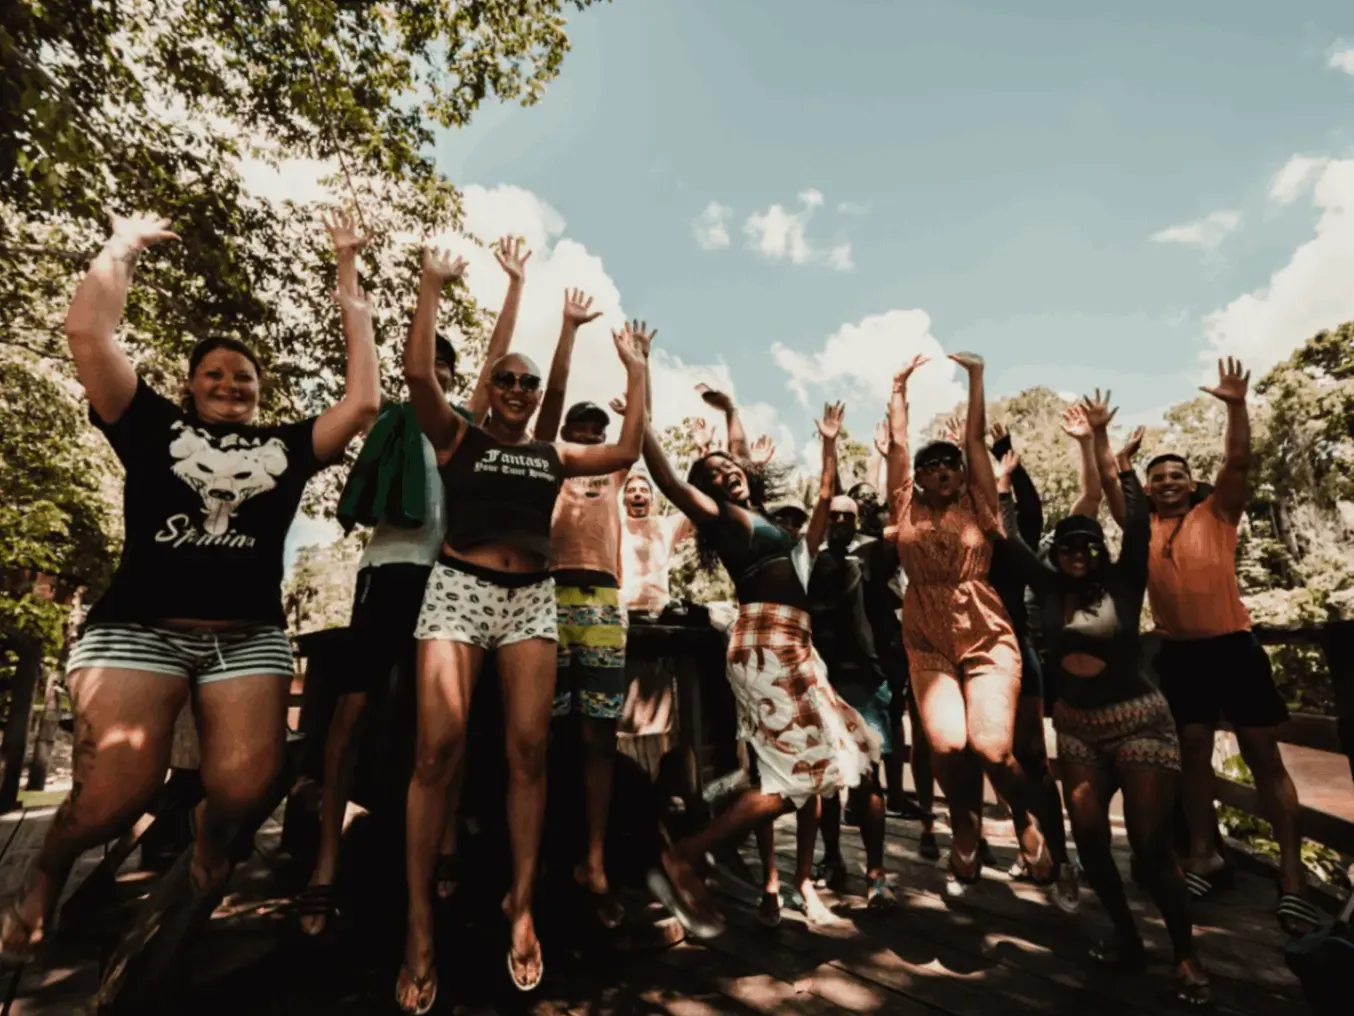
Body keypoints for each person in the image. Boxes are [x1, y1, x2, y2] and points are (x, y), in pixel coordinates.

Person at [0, 210, 380, 961]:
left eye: (244, 377)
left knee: (245, 787)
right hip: (137, 629)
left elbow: (363, 402)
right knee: (117, 794)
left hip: (247, 640)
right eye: (214, 373)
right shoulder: (148, 425)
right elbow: (87, 335)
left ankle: (211, 831)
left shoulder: (285, 447)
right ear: (189, 384)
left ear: (260, 392)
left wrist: (347, 270)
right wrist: (123, 245)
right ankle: (48, 870)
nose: (229, 383)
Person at [396, 241, 648, 1010]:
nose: (515, 387)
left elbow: (626, 447)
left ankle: (523, 903)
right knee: (437, 750)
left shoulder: (550, 453)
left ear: (537, 397)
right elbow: (417, 376)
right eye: (503, 378)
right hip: (459, 589)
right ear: (488, 389)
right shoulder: (459, 437)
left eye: (526, 382)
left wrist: (636, 371)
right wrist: (431, 285)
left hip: (533, 598)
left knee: (529, 751)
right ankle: (418, 927)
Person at [296, 235, 530, 935]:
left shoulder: (467, 432)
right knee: (352, 711)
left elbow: (497, 360)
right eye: (434, 363)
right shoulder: (396, 421)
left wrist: (514, 285)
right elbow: (385, 346)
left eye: (453, 366)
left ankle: (448, 833)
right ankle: (326, 859)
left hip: (452, 580)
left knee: (449, 718)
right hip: (390, 572)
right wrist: (350, 262)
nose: (444, 373)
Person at [994, 398, 1211, 1007]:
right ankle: (1125, 937)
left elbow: (1137, 524)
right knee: (1089, 841)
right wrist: (1004, 487)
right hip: (1077, 728)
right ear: (1057, 554)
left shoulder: (1123, 581)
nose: (1078, 553)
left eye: (1088, 546)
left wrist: (1111, 453)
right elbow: (1009, 540)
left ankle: (1186, 953)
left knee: (1149, 842)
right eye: (1068, 547)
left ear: (1100, 551)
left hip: (1139, 721)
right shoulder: (1046, 586)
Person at [641, 384, 879, 939]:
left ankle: (712, 835)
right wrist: (643, 421)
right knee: (797, 778)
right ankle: (685, 854)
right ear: (711, 493)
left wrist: (817, 442)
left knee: (822, 767)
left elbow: (805, 490)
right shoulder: (726, 519)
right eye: (716, 474)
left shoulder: (766, 519)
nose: (729, 472)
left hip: (795, 643)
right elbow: (672, 483)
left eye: (732, 467)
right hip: (766, 641)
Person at [1143, 360, 1317, 936]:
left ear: (1192, 483)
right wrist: (1097, 444)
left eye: (1177, 475)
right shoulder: (1144, 529)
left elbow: (1238, 461)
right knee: (1191, 756)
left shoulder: (1217, 513)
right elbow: (1105, 493)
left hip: (1234, 647)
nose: (1169, 482)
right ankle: (1205, 856)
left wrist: (1236, 405)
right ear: (1149, 489)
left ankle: (1292, 875)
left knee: (1263, 756)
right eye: (1158, 477)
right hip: (1180, 655)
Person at [885, 352, 1052, 892]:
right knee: (946, 744)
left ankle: (1026, 820)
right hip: (926, 634)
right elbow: (899, 446)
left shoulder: (980, 503)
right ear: (919, 477)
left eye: (950, 463)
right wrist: (898, 388)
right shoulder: (904, 506)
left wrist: (977, 377)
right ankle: (964, 824)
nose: (943, 468)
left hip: (983, 628)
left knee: (992, 747)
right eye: (932, 464)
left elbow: (976, 441)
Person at [532, 288, 629, 930]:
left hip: (602, 600)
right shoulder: (549, 464)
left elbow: (636, 439)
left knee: (597, 733)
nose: (591, 435)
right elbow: (544, 419)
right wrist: (568, 330)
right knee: (539, 733)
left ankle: (593, 860)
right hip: (546, 595)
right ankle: (537, 854)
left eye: (599, 429)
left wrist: (635, 373)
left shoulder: (613, 472)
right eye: (582, 428)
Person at [807, 484, 896, 910]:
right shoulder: (809, 563)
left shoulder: (871, 557)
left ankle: (876, 873)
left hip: (865, 681)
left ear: (858, 521)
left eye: (848, 515)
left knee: (868, 778)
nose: (841, 520)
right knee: (827, 780)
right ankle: (832, 858)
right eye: (834, 514)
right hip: (822, 680)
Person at [617, 469, 692, 616]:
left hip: (659, 612)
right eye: (631, 490)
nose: (637, 494)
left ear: (652, 499)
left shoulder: (666, 526)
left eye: (644, 490)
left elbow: (695, 511)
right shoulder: (615, 530)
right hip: (623, 612)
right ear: (624, 500)